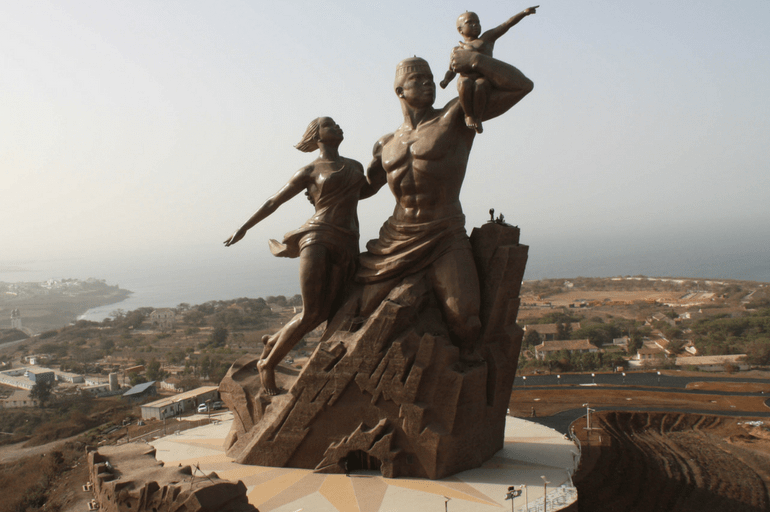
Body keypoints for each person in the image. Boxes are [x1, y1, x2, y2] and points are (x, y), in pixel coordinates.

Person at [358, 39, 535, 360]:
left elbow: (521, 86)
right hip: (395, 238)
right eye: (418, 80)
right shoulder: (385, 143)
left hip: (444, 233)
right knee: (363, 311)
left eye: (430, 79)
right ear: (400, 91)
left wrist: (476, 60)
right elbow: (364, 189)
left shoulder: (455, 116)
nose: (428, 84)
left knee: (466, 322)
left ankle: (462, 388)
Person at [225, 117, 378, 395]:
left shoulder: (354, 165)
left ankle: (274, 340)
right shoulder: (309, 170)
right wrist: (244, 227)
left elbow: (365, 190)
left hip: (348, 242)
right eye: (330, 125)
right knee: (313, 312)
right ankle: (268, 365)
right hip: (318, 236)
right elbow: (274, 201)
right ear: (317, 135)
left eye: (338, 124)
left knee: (332, 312)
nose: (338, 127)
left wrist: (384, 166)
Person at [439, 7, 538, 133]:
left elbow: (506, 25)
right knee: (464, 83)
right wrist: (446, 80)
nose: (476, 25)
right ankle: (469, 115)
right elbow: (452, 69)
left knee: (481, 85)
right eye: (470, 22)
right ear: (460, 30)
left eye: (478, 22)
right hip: (465, 77)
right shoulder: (456, 49)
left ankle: (478, 118)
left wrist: (523, 13)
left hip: (484, 77)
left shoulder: (486, 39)